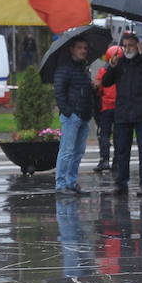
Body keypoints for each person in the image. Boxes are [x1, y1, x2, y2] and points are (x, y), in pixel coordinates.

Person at [101, 32, 142, 196]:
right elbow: (106, 82)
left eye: (131, 45)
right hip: (123, 112)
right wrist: (111, 67)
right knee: (121, 149)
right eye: (125, 46)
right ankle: (121, 182)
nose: (127, 49)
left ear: (137, 46)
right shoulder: (119, 63)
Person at [52, 37, 94, 195]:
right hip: (73, 115)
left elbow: (82, 90)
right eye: (79, 48)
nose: (83, 51)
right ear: (72, 49)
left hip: (84, 114)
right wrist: (68, 111)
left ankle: (71, 182)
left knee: (78, 151)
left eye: (85, 48)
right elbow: (59, 92)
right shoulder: (64, 69)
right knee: (67, 151)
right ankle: (61, 184)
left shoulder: (84, 68)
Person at [92, 45, 119, 172]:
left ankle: (104, 159)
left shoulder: (103, 71)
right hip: (120, 107)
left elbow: (99, 88)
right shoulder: (123, 70)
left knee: (104, 134)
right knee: (119, 135)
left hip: (106, 107)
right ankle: (117, 161)